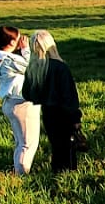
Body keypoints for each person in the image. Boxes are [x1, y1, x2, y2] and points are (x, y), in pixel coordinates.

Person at [20, 30, 84, 173]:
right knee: (69, 148)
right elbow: (70, 96)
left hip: (48, 113)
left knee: (56, 146)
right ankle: (69, 176)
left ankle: (57, 173)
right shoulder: (60, 67)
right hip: (65, 113)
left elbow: (27, 94)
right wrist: (75, 117)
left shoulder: (34, 69)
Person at [0, 25, 41, 175]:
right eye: (19, 38)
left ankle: (18, 171)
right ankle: (22, 175)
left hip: (11, 102)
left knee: (20, 142)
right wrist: (26, 49)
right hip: (22, 103)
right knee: (28, 144)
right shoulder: (9, 59)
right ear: (13, 41)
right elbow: (33, 67)